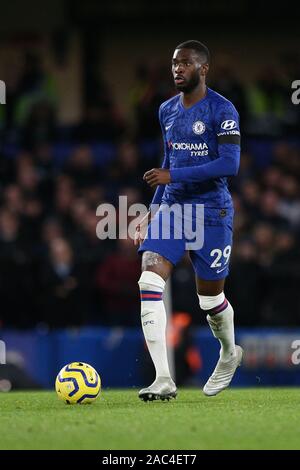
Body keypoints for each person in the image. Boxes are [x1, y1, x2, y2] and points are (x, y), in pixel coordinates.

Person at [134, 40, 243, 401]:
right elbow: (168, 164)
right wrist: (150, 213)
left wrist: (173, 178)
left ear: (203, 68)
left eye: (185, 63)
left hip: (213, 211)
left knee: (210, 302)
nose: (177, 69)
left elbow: (229, 165)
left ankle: (229, 352)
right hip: (175, 210)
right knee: (149, 275)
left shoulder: (222, 109)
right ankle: (163, 379)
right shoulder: (166, 110)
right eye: (173, 64)